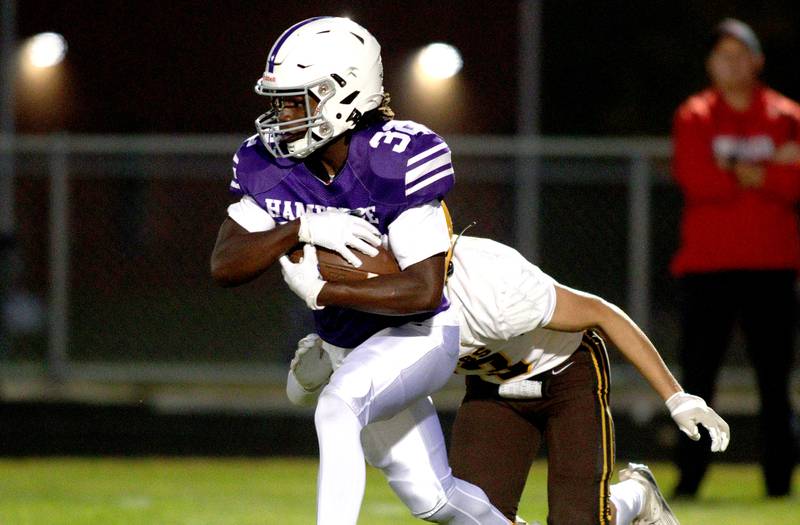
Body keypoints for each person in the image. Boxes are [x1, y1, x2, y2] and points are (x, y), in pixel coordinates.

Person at [210, 17, 509, 525]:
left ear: (344, 95)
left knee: (336, 406)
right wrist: (299, 228)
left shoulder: (396, 158)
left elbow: (423, 289)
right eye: (277, 101)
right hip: (351, 345)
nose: (279, 116)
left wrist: (325, 292)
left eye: (294, 101)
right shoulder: (270, 164)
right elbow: (226, 265)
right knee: (434, 499)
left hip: (419, 335)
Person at [288, 234, 730, 525]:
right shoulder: (376, 303)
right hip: (492, 391)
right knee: (477, 517)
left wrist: (677, 397)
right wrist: (322, 363)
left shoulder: (493, 284)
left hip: (567, 374)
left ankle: (636, 494)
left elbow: (601, 312)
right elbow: (315, 383)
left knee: (578, 522)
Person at [670, 18, 800, 498]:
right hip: (707, 269)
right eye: (720, 54)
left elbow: (797, 183)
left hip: (773, 266)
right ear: (710, 63)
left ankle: (781, 486)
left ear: (757, 60)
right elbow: (695, 178)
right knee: (697, 379)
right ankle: (689, 479)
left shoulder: (788, 114)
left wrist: (734, 170)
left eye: (738, 53)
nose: (729, 62)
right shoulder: (695, 114)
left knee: (775, 381)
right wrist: (769, 168)